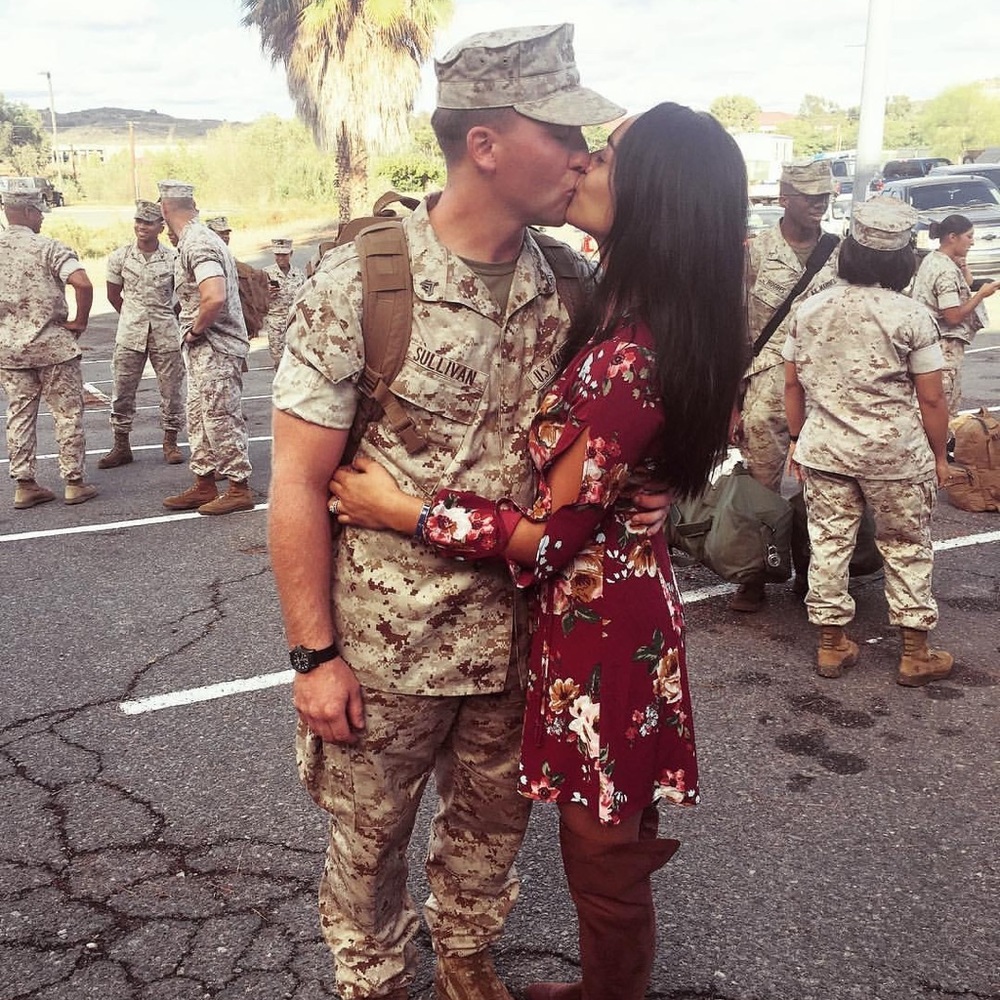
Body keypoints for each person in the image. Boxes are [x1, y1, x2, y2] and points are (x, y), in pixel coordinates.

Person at [328, 103, 749, 1000]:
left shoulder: (627, 351)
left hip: (601, 620)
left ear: (657, 198)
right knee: (605, 832)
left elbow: (548, 538)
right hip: (613, 606)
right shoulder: (632, 309)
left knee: (603, 845)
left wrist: (394, 507)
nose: (584, 166)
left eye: (607, 157)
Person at [268, 23, 630, 1000]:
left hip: (519, 640)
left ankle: (467, 956)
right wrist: (313, 654)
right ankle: (375, 977)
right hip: (388, 651)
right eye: (562, 135)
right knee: (369, 838)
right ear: (484, 145)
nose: (581, 155)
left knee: (492, 823)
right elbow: (298, 483)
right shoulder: (364, 279)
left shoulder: (569, 283)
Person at [783, 196, 954, 687]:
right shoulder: (912, 316)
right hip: (895, 455)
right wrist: (939, 456)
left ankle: (832, 646)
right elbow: (932, 400)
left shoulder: (809, 309)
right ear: (904, 258)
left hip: (825, 449)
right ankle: (915, 653)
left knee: (829, 544)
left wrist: (796, 440)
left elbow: (791, 385)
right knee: (906, 545)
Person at [734, 159, 840, 612]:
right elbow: (734, 329)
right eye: (809, 196)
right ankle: (754, 575)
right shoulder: (755, 253)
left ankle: (816, 572)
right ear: (784, 198)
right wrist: (729, 404)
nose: (819, 203)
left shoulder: (840, 252)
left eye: (825, 196)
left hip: (824, 386)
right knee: (762, 485)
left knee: (825, 485)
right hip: (767, 386)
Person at [158, 181, 255, 515]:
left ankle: (238, 487)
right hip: (204, 349)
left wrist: (195, 330)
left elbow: (214, 294)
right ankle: (205, 483)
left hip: (215, 345)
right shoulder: (194, 238)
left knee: (219, 416)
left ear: (164, 209)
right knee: (199, 417)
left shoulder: (198, 242)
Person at [0, 191, 98, 508]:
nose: (42, 217)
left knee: (19, 417)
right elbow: (82, 283)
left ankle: (25, 485)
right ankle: (74, 482)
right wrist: (79, 321)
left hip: (11, 351)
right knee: (67, 415)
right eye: (40, 212)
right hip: (53, 348)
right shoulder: (49, 248)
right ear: (28, 212)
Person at [99, 199, 186, 469]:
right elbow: (113, 295)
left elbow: (182, 294)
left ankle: (170, 442)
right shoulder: (120, 257)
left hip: (165, 332)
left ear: (161, 226)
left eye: (148, 222)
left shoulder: (173, 258)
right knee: (122, 391)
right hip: (130, 334)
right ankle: (121, 445)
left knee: (171, 392)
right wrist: (132, 315)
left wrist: (167, 314)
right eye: (138, 221)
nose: (141, 227)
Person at [909, 214, 1000, 417]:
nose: (973, 242)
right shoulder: (945, 271)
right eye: (969, 236)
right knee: (944, 410)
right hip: (944, 348)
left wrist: (963, 264)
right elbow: (952, 316)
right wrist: (981, 295)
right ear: (953, 237)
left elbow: (964, 285)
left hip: (933, 344)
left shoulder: (935, 259)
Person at [207, 215, 272, 343]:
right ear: (211, 235)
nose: (225, 237)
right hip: (216, 319)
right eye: (221, 233)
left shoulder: (228, 256)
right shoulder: (208, 256)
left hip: (232, 317)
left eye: (227, 233)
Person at [262, 237, 305, 369]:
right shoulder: (265, 274)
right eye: (277, 254)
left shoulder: (298, 274)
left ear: (291, 254)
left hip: (295, 321)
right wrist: (266, 293)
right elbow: (256, 299)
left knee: (298, 359)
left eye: (284, 255)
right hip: (276, 323)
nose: (280, 258)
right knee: (279, 361)